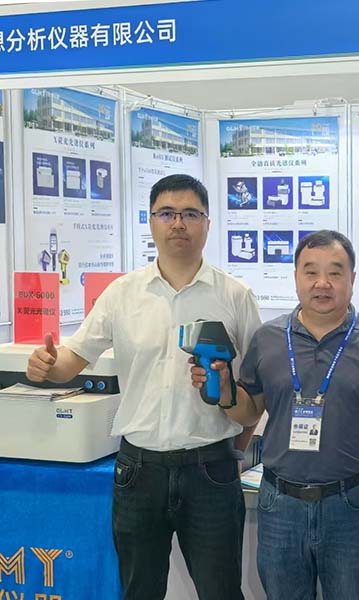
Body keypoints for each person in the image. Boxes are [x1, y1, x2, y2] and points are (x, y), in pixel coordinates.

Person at [26, 174, 261, 600]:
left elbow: (253, 401)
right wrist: (47, 365)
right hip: (139, 471)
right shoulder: (122, 294)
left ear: (208, 223)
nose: (178, 223)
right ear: (151, 221)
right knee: (139, 590)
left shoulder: (236, 296)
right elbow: (71, 362)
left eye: (190, 214)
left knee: (222, 590)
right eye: (167, 213)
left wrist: (233, 433)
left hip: (210, 469)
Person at [192, 230, 359, 600]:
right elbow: (250, 412)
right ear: (296, 277)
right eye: (311, 272)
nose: (322, 283)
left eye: (335, 272)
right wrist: (226, 391)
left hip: (351, 502)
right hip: (281, 502)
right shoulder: (268, 337)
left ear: (352, 278)